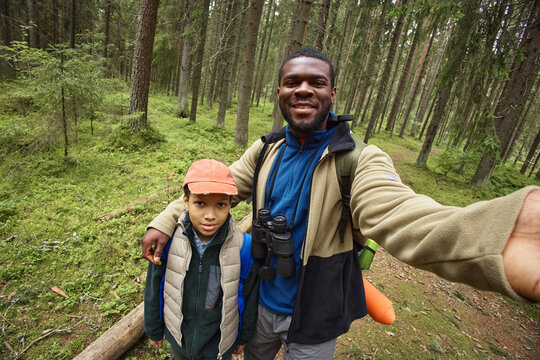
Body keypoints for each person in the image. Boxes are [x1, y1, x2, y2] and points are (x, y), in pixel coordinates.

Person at [142, 48, 540, 360]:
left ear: (332, 94)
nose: (302, 89)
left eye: (316, 82)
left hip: (318, 312)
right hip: (261, 303)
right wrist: (164, 222)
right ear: (279, 92)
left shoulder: (359, 160)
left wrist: (497, 236)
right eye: (291, 81)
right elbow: (211, 190)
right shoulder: (265, 151)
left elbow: (397, 212)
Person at [143, 159, 259, 360]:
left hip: (217, 344)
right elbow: (154, 286)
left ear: (231, 204)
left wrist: (243, 336)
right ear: (186, 201)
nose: (210, 215)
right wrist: (153, 327)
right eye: (200, 203)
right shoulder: (169, 243)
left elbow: (250, 297)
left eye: (220, 204)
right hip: (179, 338)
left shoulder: (243, 248)